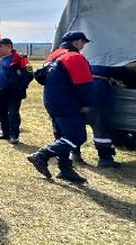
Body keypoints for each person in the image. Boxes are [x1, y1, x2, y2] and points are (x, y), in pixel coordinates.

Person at [26, 31, 94, 184]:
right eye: (83, 42)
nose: (83, 46)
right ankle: (42, 155)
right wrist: (86, 103)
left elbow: (41, 78)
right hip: (68, 103)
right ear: (77, 42)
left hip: (52, 101)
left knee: (62, 137)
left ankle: (65, 169)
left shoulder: (54, 56)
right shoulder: (74, 57)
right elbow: (84, 85)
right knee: (76, 137)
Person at [0, 39, 32, 144]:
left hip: (13, 92)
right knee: (0, 112)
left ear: (9, 47)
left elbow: (29, 74)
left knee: (13, 114)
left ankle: (14, 135)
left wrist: (20, 87)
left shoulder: (20, 59)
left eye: (0, 46)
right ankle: (5, 133)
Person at [79, 66, 122, 168]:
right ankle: (105, 158)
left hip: (78, 89)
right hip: (97, 90)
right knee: (100, 126)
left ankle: (75, 154)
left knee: (77, 124)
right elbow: (119, 71)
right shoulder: (106, 61)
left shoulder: (83, 60)